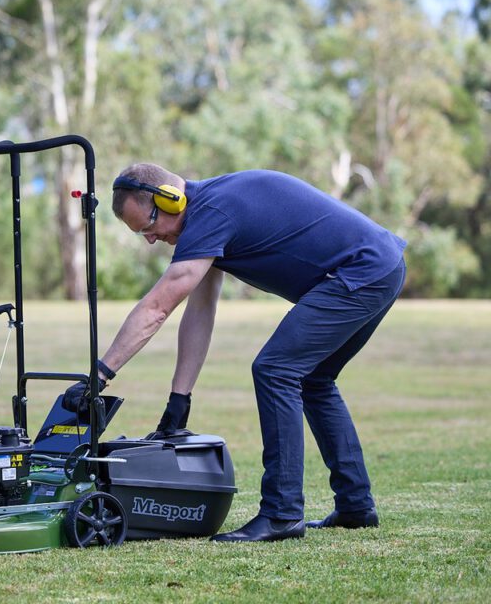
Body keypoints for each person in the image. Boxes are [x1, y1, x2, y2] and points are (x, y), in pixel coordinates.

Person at [63, 163, 406, 543]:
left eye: (148, 227)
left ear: (170, 199)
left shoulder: (212, 214)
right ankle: (356, 506)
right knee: (315, 380)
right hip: (380, 267)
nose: (151, 240)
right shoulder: (207, 217)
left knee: (276, 370)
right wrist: (179, 399)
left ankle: (282, 513)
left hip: (362, 270)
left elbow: (157, 308)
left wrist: (99, 376)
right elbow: (199, 312)